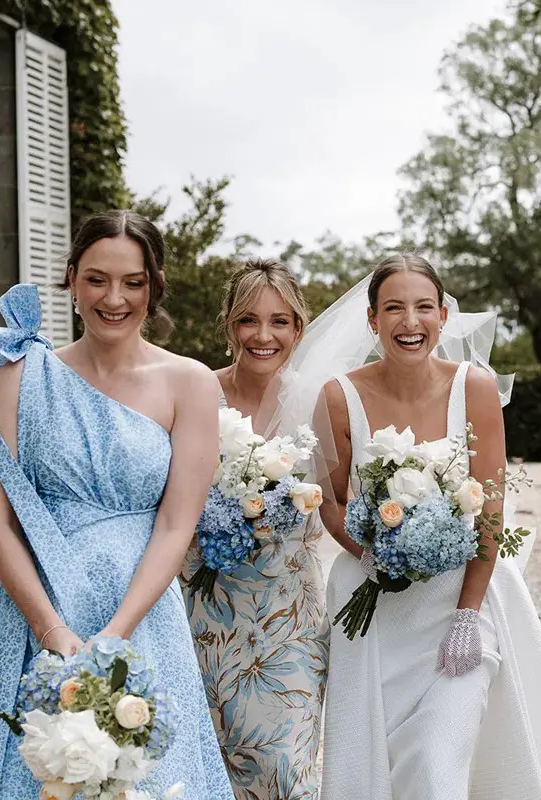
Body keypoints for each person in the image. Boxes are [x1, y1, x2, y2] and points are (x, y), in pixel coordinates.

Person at [0, 211, 233, 799]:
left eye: (133, 282)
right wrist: (49, 627)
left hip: (141, 614)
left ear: (154, 286)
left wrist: (116, 634)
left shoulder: (190, 383)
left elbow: (176, 523)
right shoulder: (20, 377)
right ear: (72, 279)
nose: (114, 297)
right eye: (98, 279)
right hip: (36, 613)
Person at [302, 254, 541, 800]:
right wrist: (376, 553)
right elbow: (333, 503)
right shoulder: (338, 396)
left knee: (438, 761)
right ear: (372, 320)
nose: (410, 322)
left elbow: (492, 508)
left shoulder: (474, 387)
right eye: (394, 309)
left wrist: (466, 615)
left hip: (466, 598)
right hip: (377, 608)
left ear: (443, 315)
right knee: (385, 762)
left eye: (423, 308)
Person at [181, 258, 329, 799]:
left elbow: (340, 505)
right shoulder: (195, 392)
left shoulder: (320, 402)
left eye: (280, 321)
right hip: (206, 604)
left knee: (285, 770)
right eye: (248, 320)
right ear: (228, 325)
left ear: (299, 328)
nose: (263, 335)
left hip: (289, 610)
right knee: (210, 763)